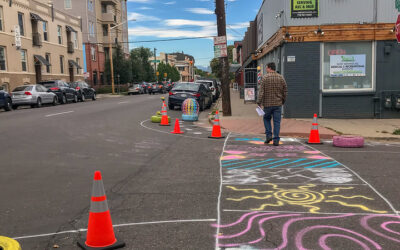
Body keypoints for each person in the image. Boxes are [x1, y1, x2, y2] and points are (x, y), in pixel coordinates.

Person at [257, 62, 287, 146]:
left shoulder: (265, 78)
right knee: (277, 122)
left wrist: (259, 102)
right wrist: (283, 101)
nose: (266, 70)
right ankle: (276, 139)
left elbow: (261, 91)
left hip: (267, 104)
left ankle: (268, 135)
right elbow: (285, 90)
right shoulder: (281, 78)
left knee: (266, 119)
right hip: (278, 104)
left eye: (266, 68)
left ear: (269, 68)